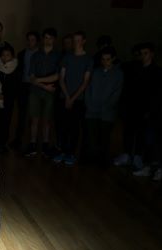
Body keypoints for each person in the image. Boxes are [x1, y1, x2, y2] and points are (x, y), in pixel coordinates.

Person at [55, 31, 93, 166]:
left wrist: (73, 98)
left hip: (78, 99)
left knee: (74, 127)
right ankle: (62, 151)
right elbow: (61, 78)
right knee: (63, 125)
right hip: (64, 97)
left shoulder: (88, 59)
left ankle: (71, 152)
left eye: (78, 40)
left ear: (83, 41)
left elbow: (85, 82)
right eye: (74, 40)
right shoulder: (67, 57)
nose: (76, 43)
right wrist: (67, 96)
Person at [84, 46, 123, 166]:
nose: (105, 62)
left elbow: (117, 93)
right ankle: (91, 161)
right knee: (92, 138)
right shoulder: (96, 72)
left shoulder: (118, 74)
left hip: (107, 113)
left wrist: (107, 106)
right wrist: (89, 105)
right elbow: (88, 89)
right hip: (92, 111)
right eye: (103, 59)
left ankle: (102, 163)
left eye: (108, 59)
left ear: (113, 59)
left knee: (104, 138)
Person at [25, 28, 61, 158]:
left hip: (49, 92)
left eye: (50, 38)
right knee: (34, 119)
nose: (48, 40)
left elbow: (57, 76)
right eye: (46, 37)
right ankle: (33, 144)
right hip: (39, 91)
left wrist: (39, 81)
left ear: (54, 39)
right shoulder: (36, 55)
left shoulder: (58, 55)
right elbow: (32, 76)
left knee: (47, 120)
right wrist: (45, 86)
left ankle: (45, 144)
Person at [129, 43, 162, 180]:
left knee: (155, 140)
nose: (143, 56)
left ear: (152, 54)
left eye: (146, 53)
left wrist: (151, 110)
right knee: (145, 140)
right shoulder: (137, 70)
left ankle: (158, 168)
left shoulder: (157, 71)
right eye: (141, 53)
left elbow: (156, 94)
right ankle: (148, 166)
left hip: (153, 112)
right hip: (138, 110)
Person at [0, 46, 19, 153]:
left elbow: (16, 85)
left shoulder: (16, 67)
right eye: (3, 55)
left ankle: (3, 144)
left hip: (8, 99)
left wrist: (5, 95)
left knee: (6, 121)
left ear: (12, 56)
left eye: (8, 55)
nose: (5, 57)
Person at [14, 31, 40, 149]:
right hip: (23, 86)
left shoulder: (40, 54)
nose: (30, 42)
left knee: (34, 115)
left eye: (33, 40)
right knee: (22, 114)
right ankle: (19, 140)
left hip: (36, 86)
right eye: (29, 40)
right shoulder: (22, 54)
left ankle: (32, 141)